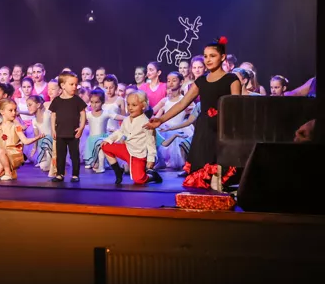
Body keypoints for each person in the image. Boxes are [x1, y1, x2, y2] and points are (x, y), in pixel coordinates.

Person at [145, 37, 241, 181]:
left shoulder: (231, 79)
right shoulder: (201, 81)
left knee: (220, 171)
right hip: (204, 128)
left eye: (212, 56)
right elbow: (182, 103)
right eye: (206, 56)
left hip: (223, 127)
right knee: (202, 172)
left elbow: (237, 106)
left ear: (222, 57)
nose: (208, 60)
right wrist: (161, 119)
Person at [102, 91, 162, 185]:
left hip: (138, 155)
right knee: (105, 146)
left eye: (134, 105)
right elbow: (120, 132)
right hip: (127, 149)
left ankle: (152, 176)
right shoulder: (126, 119)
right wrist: (109, 139)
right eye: (128, 104)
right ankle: (118, 171)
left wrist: (151, 158)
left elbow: (151, 142)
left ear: (143, 106)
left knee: (138, 180)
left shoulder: (146, 123)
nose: (130, 108)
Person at [0, 99, 43, 180]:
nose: (14, 113)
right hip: (3, 156)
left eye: (15, 110)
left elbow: (25, 141)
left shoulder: (16, 126)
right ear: (2, 112)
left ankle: (8, 172)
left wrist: (37, 137)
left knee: (0, 151)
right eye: (11, 110)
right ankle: (12, 172)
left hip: (14, 155)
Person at [49, 71, 87, 182]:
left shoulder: (77, 100)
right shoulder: (57, 100)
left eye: (76, 84)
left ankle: (75, 175)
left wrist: (81, 128)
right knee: (60, 155)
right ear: (62, 85)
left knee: (74, 155)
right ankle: (60, 174)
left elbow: (83, 113)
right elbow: (53, 115)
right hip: (60, 132)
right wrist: (53, 129)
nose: (74, 87)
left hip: (73, 133)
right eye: (71, 84)